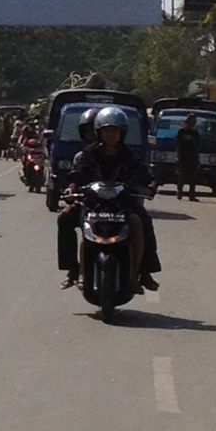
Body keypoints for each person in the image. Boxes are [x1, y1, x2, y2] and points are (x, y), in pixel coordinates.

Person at [59, 105, 159, 292]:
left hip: (123, 206)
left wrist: (150, 187)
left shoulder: (131, 157)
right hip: (92, 205)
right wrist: (71, 190)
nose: (110, 135)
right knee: (64, 217)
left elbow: (145, 177)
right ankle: (74, 270)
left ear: (122, 133)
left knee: (141, 222)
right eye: (106, 130)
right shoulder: (87, 155)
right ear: (99, 132)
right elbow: (76, 177)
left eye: (114, 130)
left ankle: (142, 273)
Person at [175, 112, 201, 201]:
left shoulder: (195, 133)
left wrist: (198, 159)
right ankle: (180, 192)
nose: (194, 122)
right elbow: (178, 145)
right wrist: (177, 156)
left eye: (195, 120)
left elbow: (197, 146)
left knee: (193, 177)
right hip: (183, 157)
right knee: (182, 175)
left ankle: (191, 195)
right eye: (192, 120)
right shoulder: (181, 132)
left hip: (192, 157)